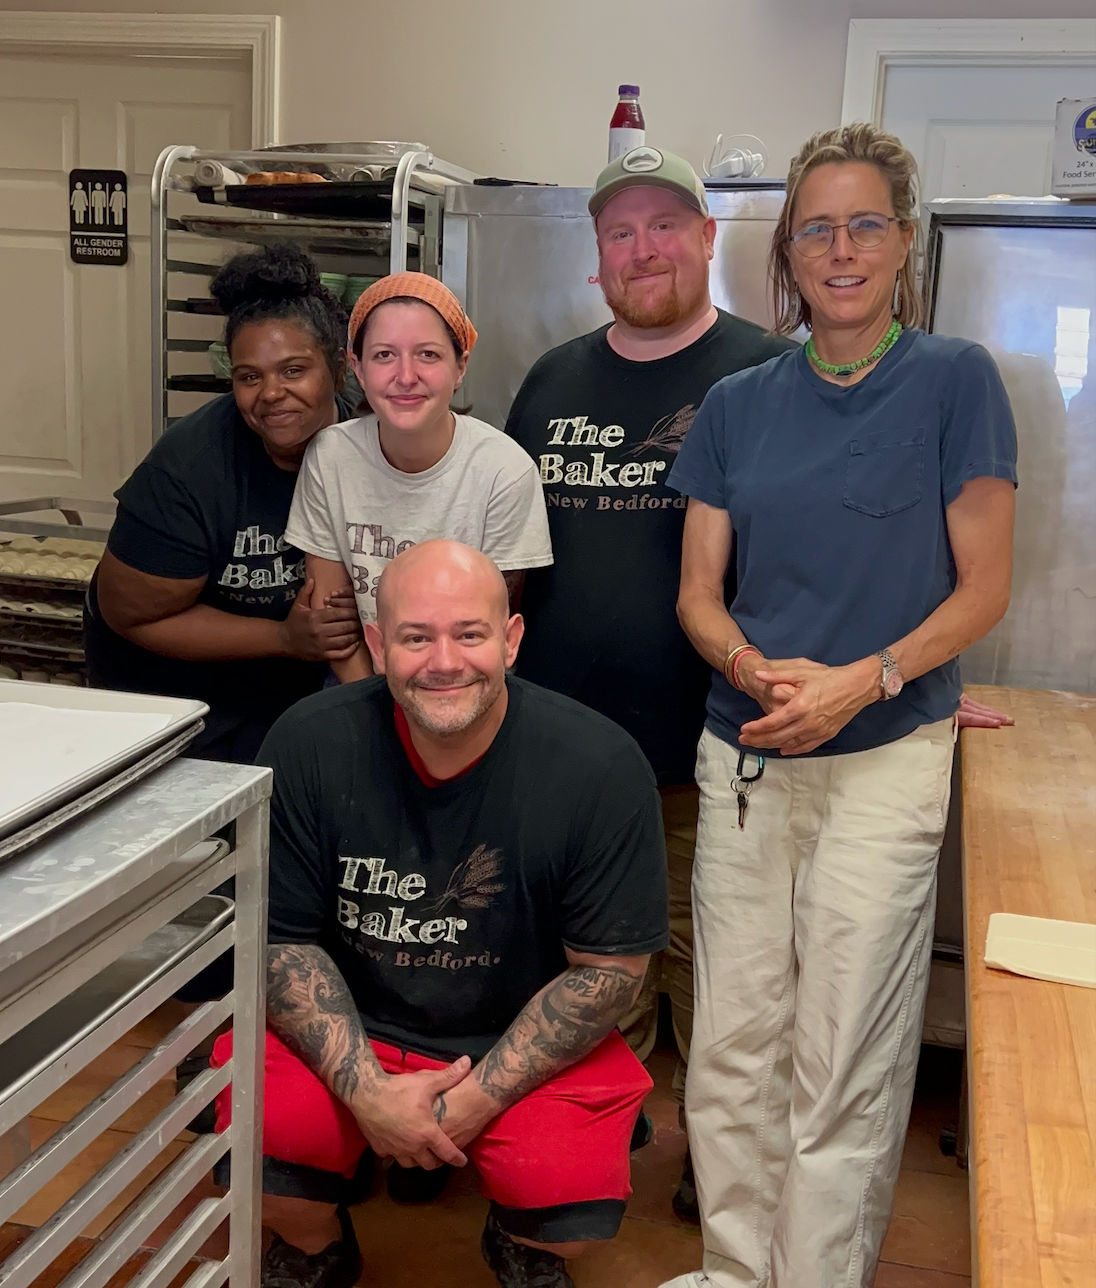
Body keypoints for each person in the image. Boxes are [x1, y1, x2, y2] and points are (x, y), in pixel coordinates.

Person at [658, 124, 1017, 1288]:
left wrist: (865, 678)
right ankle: (731, 1269)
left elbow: (983, 589)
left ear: (904, 242)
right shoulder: (737, 404)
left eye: (865, 223)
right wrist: (754, 667)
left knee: (841, 1054)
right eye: (816, 226)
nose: (841, 247)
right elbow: (700, 599)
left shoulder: (956, 381)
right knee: (731, 1047)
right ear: (787, 250)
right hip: (749, 753)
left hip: (881, 758)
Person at [209, 540, 668, 1288]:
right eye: (417, 637)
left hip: (509, 1035)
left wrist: (473, 1101)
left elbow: (610, 974)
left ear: (512, 640)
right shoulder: (309, 740)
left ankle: (523, 1239)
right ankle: (315, 1242)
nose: (444, 661)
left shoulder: (602, 767)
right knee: (253, 1150)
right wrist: (365, 1092)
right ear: (378, 645)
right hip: (352, 1026)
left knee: (569, 1204)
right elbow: (279, 943)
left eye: (471, 633)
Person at [505, 147, 797, 1215]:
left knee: (712, 961)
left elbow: (825, 550)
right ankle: (602, 1125)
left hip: (714, 740)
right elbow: (510, 552)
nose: (644, 249)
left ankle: (712, 1152)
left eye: (666, 226)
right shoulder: (550, 379)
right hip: (562, 752)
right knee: (586, 958)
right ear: (597, 260)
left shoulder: (769, 376)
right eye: (620, 233)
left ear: (709, 238)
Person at [85, 244, 361, 763]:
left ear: (339, 371)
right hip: (175, 701)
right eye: (249, 377)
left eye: (294, 370)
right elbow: (130, 616)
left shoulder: (368, 446)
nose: (271, 393)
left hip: (289, 689)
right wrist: (282, 637)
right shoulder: (188, 472)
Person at [286, 272, 552, 683]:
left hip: (466, 684)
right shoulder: (331, 457)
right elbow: (334, 625)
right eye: (384, 355)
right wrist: (374, 715)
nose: (406, 375)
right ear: (356, 367)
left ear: (460, 366)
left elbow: (489, 638)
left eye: (428, 355)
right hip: (358, 682)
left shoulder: (505, 471)